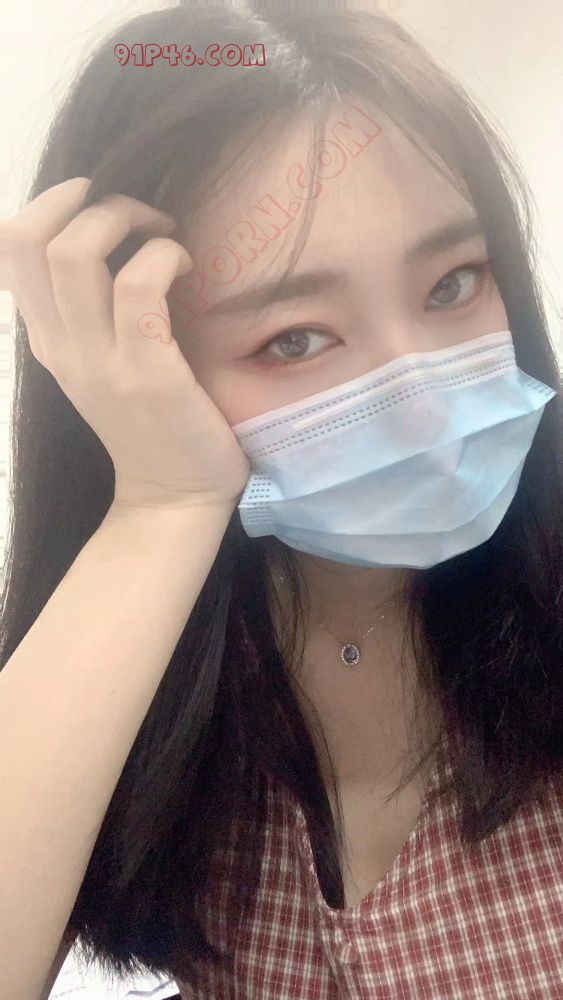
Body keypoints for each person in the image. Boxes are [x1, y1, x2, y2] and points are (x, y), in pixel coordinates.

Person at [0, 1, 561, 998]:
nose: (427, 410)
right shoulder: (163, 661)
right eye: (293, 339)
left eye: (451, 284)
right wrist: (161, 509)